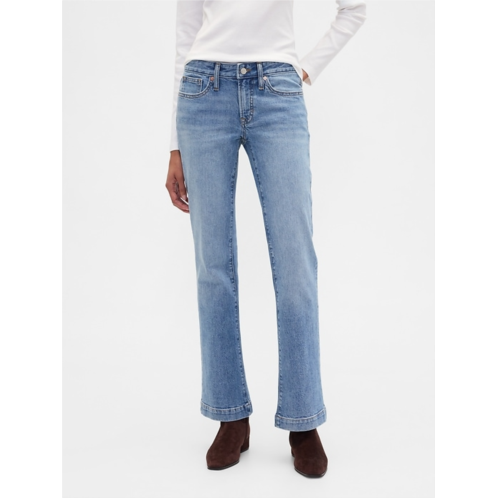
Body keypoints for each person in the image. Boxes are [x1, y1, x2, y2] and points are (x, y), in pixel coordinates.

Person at [165, 0, 366, 479]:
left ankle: (303, 419)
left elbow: (354, 9)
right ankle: (230, 416)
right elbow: (185, 37)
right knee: (213, 268)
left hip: (277, 91)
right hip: (202, 93)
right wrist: (173, 144)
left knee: (296, 265)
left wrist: (305, 69)